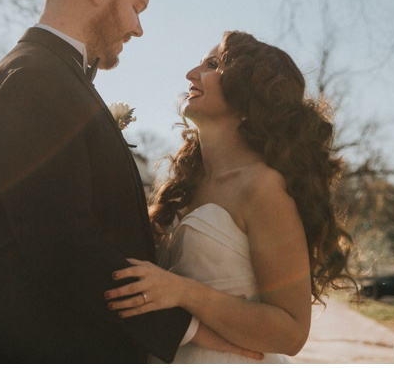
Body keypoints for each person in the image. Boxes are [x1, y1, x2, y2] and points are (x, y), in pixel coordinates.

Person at [0, 0, 261, 363]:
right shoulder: (33, 80)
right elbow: (62, 248)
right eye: (137, 7)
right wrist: (192, 329)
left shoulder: (53, 77)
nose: (139, 28)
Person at [104, 31, 353, 363]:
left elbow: (291, 332)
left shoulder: (264, 188)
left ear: (248, 92)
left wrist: (183, 291)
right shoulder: (185, 184)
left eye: (212, 64)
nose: (192, 74)